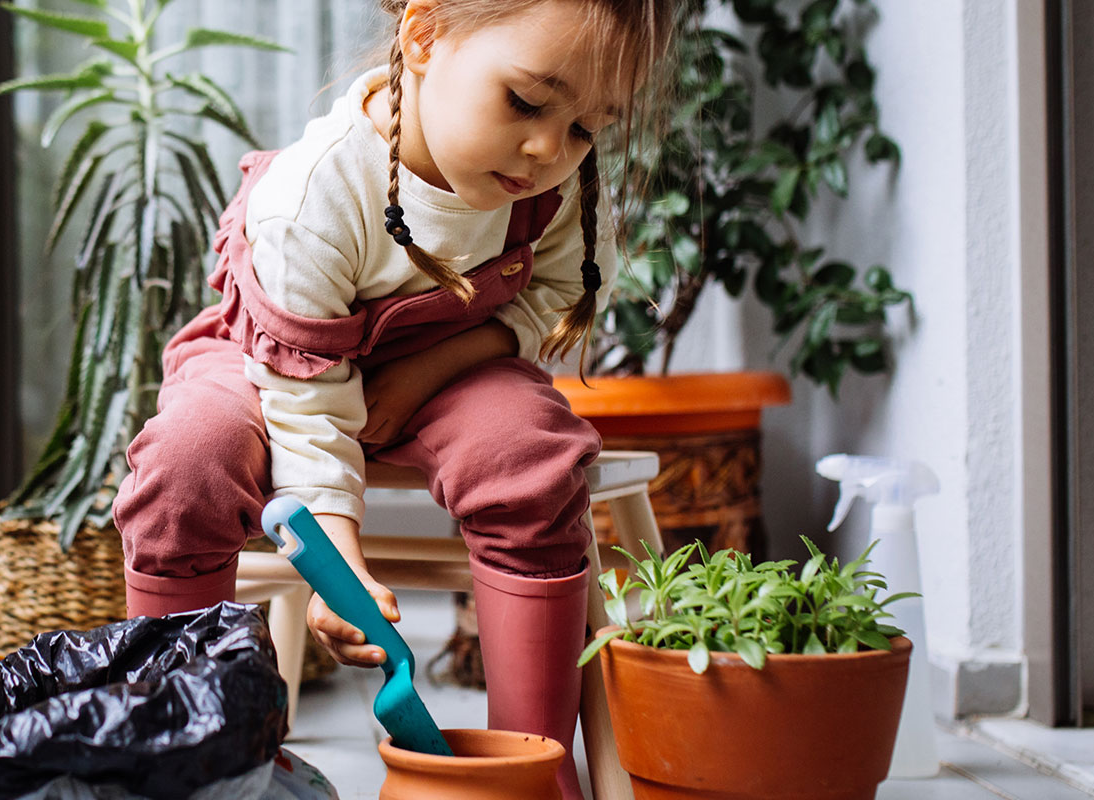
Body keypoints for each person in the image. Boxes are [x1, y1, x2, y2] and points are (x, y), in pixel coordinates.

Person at [115, 1, 676, 795]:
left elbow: (558, 294)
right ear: (423, 38)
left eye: (589, 127)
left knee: (530, 455)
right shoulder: (314, 196)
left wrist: (432, 366)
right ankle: (185, 759)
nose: (550, 147)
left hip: (447, 368)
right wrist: (336, 563)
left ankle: (528, 769)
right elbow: (307, 406)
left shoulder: (551, 186)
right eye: (525, 101)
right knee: (187, 460)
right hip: (274, 363)